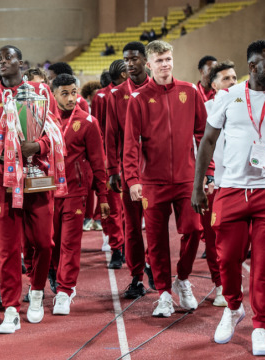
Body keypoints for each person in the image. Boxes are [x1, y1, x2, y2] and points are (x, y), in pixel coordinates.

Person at [192, 40, 265, 356]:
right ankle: (233, 308)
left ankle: (261, 326)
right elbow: (207, 143)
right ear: (253, 66)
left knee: (264, 265)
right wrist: (198, 187)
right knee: (227, 258)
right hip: (231, 189)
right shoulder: (228, 97)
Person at [0, 45, 60, 333]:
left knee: (44, 243)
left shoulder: (41, 92)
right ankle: (10, 307)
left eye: (8, 57)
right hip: (5, 184)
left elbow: (55, 130)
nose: (2, 62)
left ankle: (36, 291)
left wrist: (38, 146)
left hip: (37, 179)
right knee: (8, 250)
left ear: (21, 63)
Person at [123, 40, 210, 317]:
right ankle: (162, 293)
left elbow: (204, 135)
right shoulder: (138, 99)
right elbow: (130, 143)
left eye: (168, 59)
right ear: (149, 65)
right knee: (158, 241)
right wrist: (133, 179)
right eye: (159, 60)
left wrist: (208, 172)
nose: (165, 65)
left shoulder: (190, 91)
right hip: (153, 182)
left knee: (195, 229)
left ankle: (182, 278)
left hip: (187, 180)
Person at [50, 74, 109, 315]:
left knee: (70, 244)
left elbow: (98, 161)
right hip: (47, 192)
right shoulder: (43, 121)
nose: (70, 98)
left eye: (73, 92)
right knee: (48, 244)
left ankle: (65, 290)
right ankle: (53, 278)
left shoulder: (88, 122)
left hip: (75, 192)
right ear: (53, 95)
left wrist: (103, 196)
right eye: (64, 93)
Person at [105, 42, 152, 298]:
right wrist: (113, 170)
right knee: (132, 227)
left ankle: (156, 267)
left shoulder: (159, 90)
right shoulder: (116, 94)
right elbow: (110, 135)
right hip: (129, 170)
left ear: (145, 60)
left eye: (135, 59)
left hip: (157, 171)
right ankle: (136, 277)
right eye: (126, 59)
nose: (130, 63)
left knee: (156, 226)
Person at [200, 60, 238, 307]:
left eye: (235, 78)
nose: (233, 83)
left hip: (239, 183)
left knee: (238, 241)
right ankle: (220, 285)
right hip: (213, 184)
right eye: (226, 79)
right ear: (213, 85)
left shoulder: (246, 108)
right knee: (213, 238)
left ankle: (235, 282)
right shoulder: (203, 109)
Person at [90, 60, 127, 268]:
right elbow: (98, 129)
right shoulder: (103, 96)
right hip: (109, 158)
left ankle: (129, 250)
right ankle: (116, 248)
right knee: (113, 206)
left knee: (130, 210)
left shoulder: (136, 93)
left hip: (132, 159)